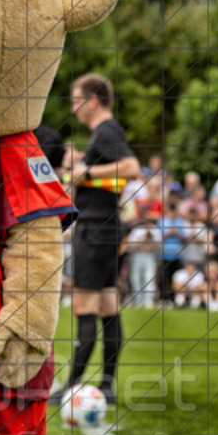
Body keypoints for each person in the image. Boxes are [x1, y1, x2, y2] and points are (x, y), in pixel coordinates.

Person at [49, 73, 140, 405]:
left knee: (86, 305)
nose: (74, 108)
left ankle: (72, 386)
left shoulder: (106, 132)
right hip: (106, 227)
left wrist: (85, 172)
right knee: (107, 305)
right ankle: (107, 385)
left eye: (76, 100)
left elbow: (132, 167)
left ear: (93, 100)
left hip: (96, 229)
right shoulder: (104, 134)